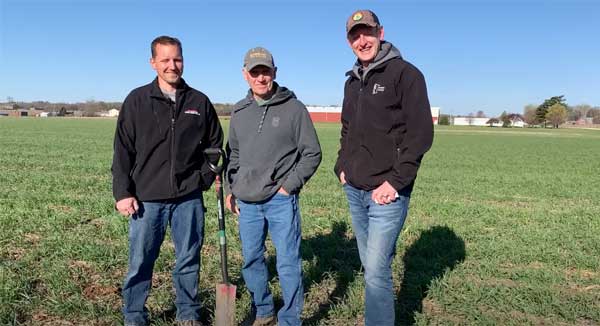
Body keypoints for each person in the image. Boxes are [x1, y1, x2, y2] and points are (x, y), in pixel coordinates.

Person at [112, 35, 223, 326]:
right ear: (153, 63)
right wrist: (123, 193)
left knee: (188, 259)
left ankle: (188, 312)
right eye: (165, 60)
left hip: (188, 198)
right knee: (140, 262)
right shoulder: (137, 100)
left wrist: (204, 178)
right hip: (147, 199)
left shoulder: (198, 101)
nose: (172, 65)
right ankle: (134, 315)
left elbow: (214, 146)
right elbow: (122, 150)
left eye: (177, 59)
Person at [334, 10, 434, 325]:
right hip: (355, 188)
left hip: (387, 193)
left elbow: (421, 134)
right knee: (372, 263)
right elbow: (347, 128)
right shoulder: (352, 82)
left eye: (367, 32)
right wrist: (342, 166)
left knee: (375, 270)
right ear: (349, 40)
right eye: (355, 35)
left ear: (381, 32)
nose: (362, 40)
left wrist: (395, 182)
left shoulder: (405, 74)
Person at [225, 47, 322, 326]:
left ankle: (290, 319)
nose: (261, 77)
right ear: (246, 75)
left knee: (288, 262)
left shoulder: (294, 108)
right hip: (247, 201)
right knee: (252, 260)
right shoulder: (240, 111)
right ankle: (264, 310)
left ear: (274, 72)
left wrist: (288, 187)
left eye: (265, 71)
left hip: (280, 201)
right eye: (255, 72)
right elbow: (234, 154)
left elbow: (312, 152)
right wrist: (232, 190)